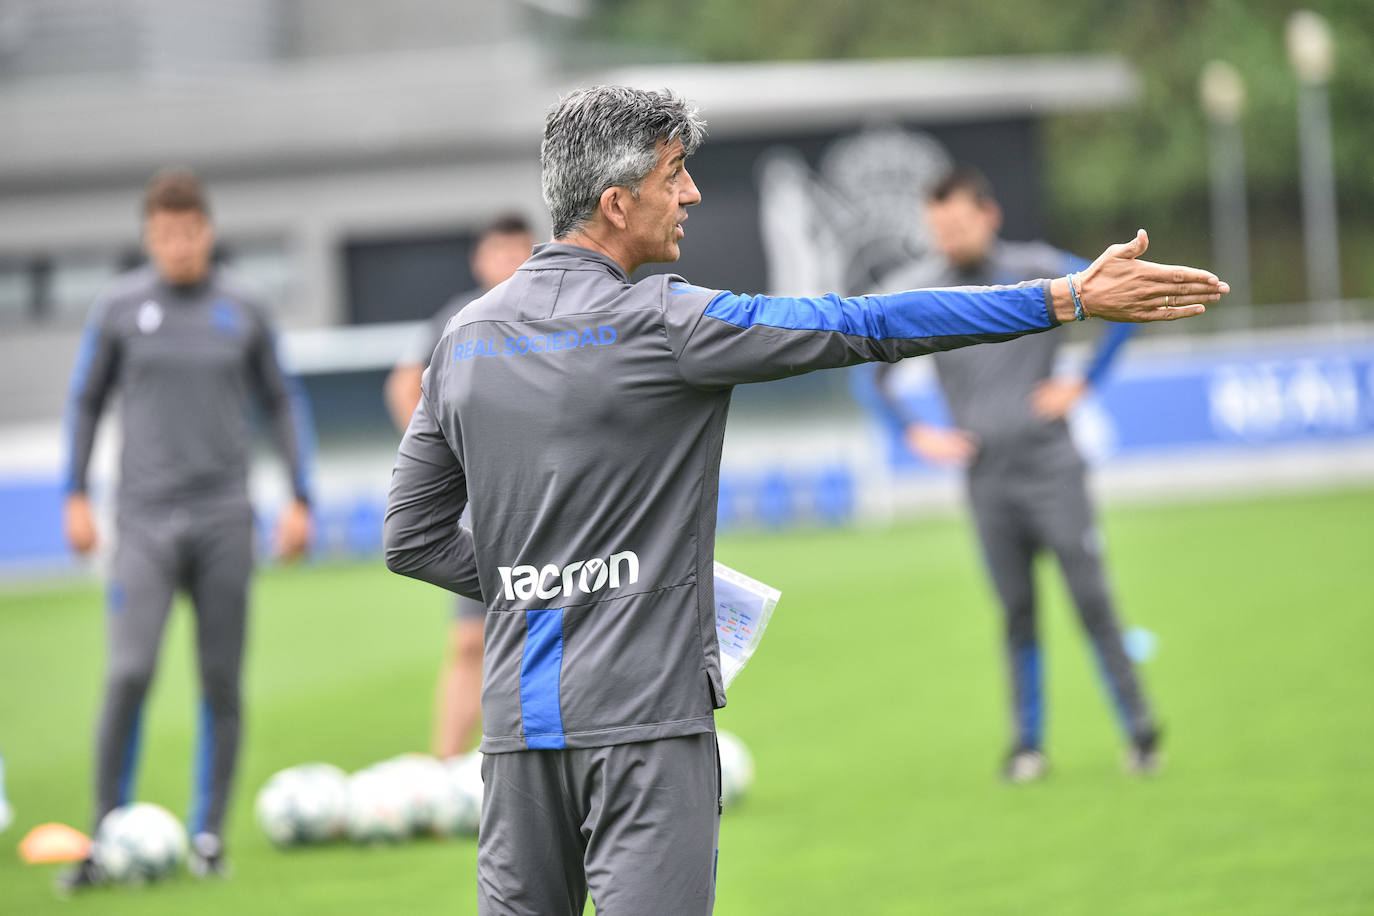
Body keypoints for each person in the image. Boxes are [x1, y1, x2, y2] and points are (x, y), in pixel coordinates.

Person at [382, 86, 1225, 916]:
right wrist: (1063, 297)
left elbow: (410, 538)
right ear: (615, 201)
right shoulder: (668, 324)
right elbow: (865, 322)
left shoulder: (464, 340)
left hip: (518, 739)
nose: (691, 193)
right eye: (675, 174)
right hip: (645, 722)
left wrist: (554, 588)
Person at [58, 168, 315, 892]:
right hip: (141, 519)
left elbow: (283, 401)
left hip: (224, 517)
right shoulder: (118, 308)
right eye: (165, 234)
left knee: (219, 680)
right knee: (130, 671)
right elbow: (85, 401)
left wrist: (301, 495)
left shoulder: (244, 308)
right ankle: (106, 834)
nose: (178, 245)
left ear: (207, 230)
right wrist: (74, 493)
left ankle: (207, 837)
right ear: (150, 237)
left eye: (189, 231)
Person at [867, 166, 1158, 783]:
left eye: (958, 223)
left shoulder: (1040, 268)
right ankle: (1028, 746)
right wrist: (914, 432)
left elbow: (1117, 293)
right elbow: (868, 372)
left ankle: (1140, 732)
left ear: (988, 214)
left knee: (1092, 603)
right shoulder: (927, 294)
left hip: (1052, 469)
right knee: (1016, 613)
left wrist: (1082, 384)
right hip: (985, 480)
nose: (948, 237)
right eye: (937, 228)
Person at [383, 214, 534, 759]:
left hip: (550, 494)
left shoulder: (554, 310)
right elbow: (403, 385)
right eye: (499, 252)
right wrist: (441, 458)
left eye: (519, 251)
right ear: (480, 259)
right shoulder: (459, 318)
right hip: (485, 500)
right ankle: (444, 766)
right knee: (470, 640)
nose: (508, 262)